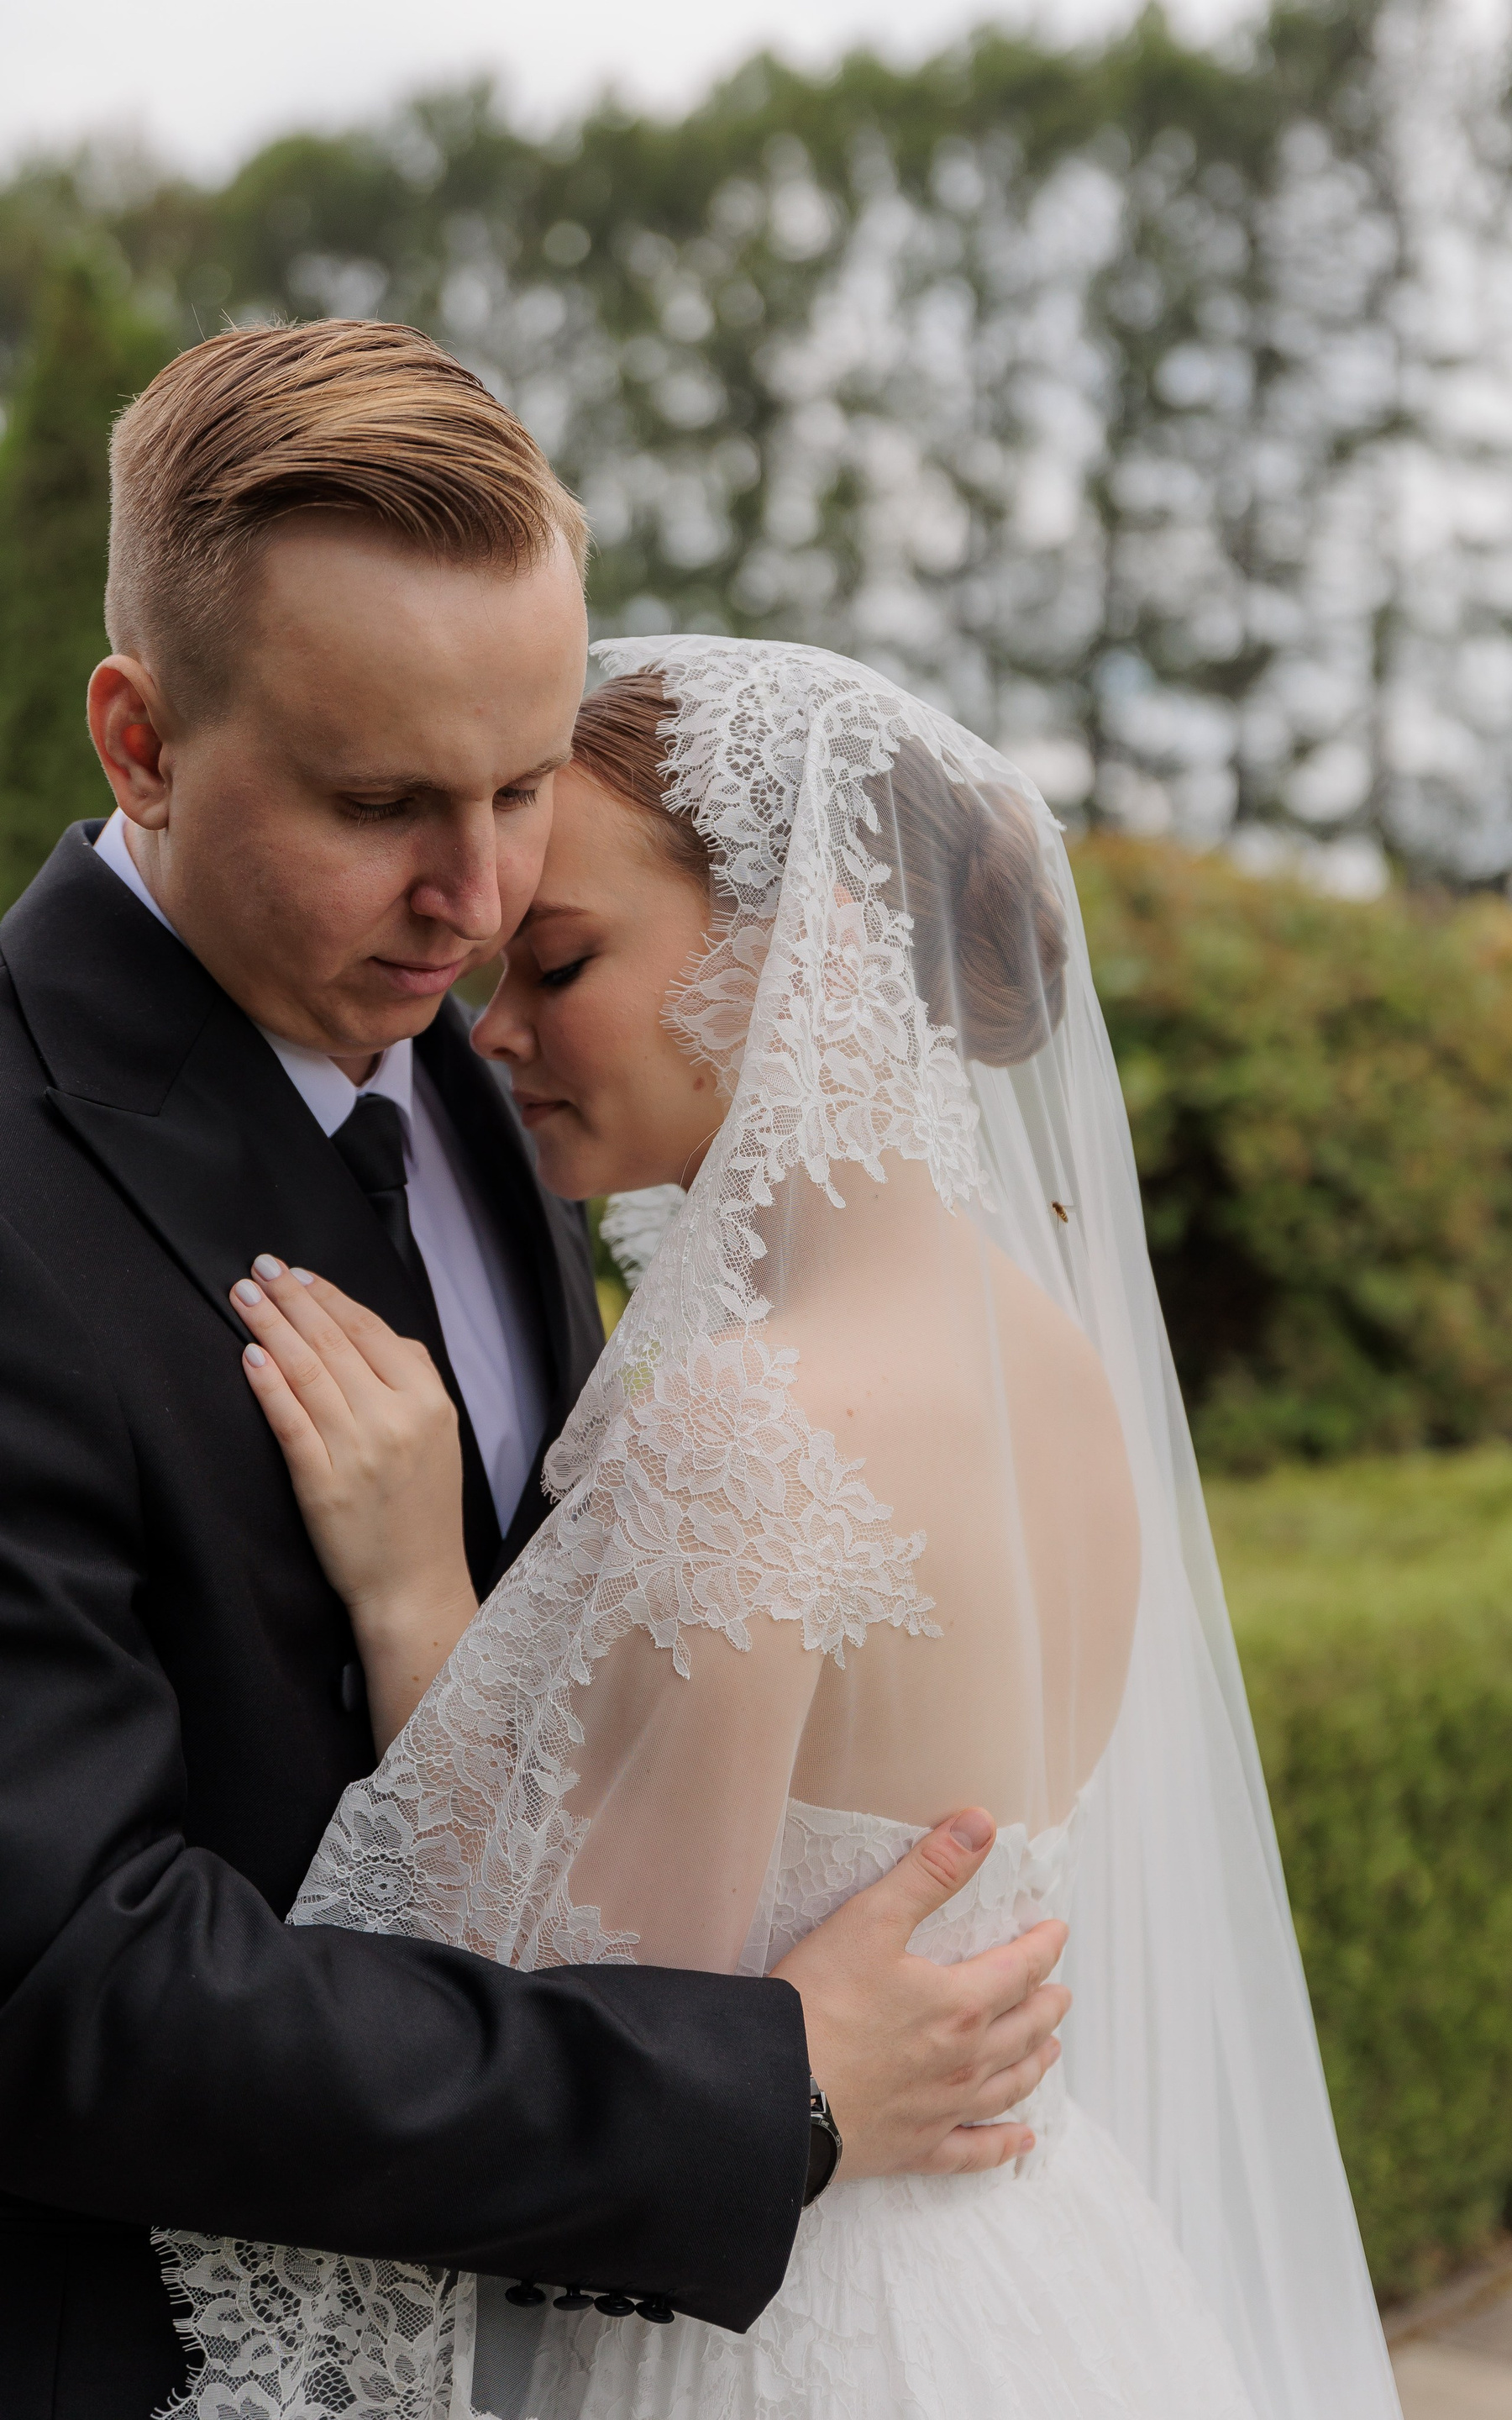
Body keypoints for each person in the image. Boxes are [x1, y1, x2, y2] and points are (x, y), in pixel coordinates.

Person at [0, 329, 1070, 2420]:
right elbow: (67, 1989)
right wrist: (767, 2093)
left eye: (517, 787)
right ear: (141, 739)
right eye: (379, 803)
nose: (478, 902)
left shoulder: (495, 1095)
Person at [169, 638, 1405, 2418]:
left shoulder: (753, 1419)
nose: (489, 1029)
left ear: (809, 948)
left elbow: (590, 2018)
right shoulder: (1049, 1358)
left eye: (559, 961)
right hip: (1028, 2276)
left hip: (762, 2324)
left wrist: (414, 1588)